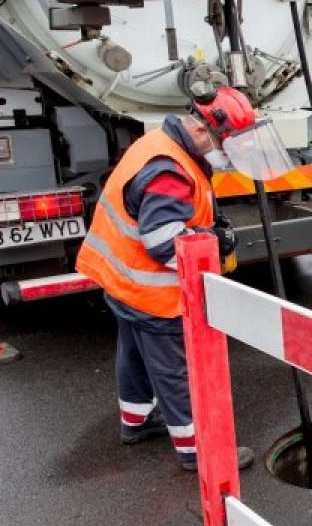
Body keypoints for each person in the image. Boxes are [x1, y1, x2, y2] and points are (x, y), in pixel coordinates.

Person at [76, 86, 255, 471]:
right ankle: (198, 450)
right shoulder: (168, 169)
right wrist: (213, 240)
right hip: (152, 291)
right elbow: (162, 242)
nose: (228, 154)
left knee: (134, 355)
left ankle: (136, 421)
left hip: (125, 282)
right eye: (227, 144)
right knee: (174, 371)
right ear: (204, 130)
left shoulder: (163, 144)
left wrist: (206, 223)